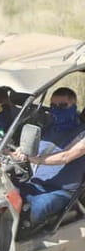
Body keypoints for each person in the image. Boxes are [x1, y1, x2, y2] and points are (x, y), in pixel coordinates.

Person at [11, 87, 85, 226]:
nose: (57, 109)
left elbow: (66, 157)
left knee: (37, 208)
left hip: (60, 191)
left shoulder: (82, 133)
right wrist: (17, 152)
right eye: (53, 106)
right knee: (4, 195)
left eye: (63, 105)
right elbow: (28, 151)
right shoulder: (47, 129)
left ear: (74, 106)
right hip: (35, 183)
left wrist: (36, 159)